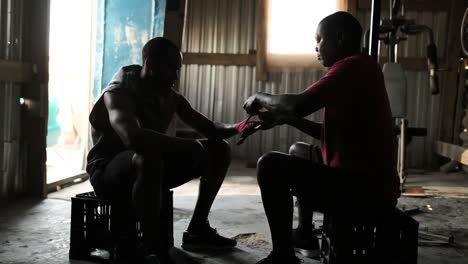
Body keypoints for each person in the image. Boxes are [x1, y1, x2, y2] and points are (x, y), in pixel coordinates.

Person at [242, 12, 401, 264]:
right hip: (363, 181)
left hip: (365, 193)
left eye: (319, 39)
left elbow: (298, 104)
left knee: (270, 165)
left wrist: (260, 97)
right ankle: (304, 234)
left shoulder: (352, 67)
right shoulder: (360, 67)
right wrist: (287, 119)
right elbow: (328, 133)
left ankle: (282, 256)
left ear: (338, 38)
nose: (315, 47)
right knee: (300, 150)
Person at [86, 37, 259, 264]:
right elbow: (133, 137)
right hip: (108, 172)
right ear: (149, 64)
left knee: (219, 150)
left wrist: (238, 127)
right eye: (170, 69)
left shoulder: (169, 95)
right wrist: (190, 146)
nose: (176, 77)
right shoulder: (118, 92)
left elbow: (210, 129)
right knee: (148, 156)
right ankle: (150, 248)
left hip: (150, 168)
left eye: (177, 69)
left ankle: (197, 229)